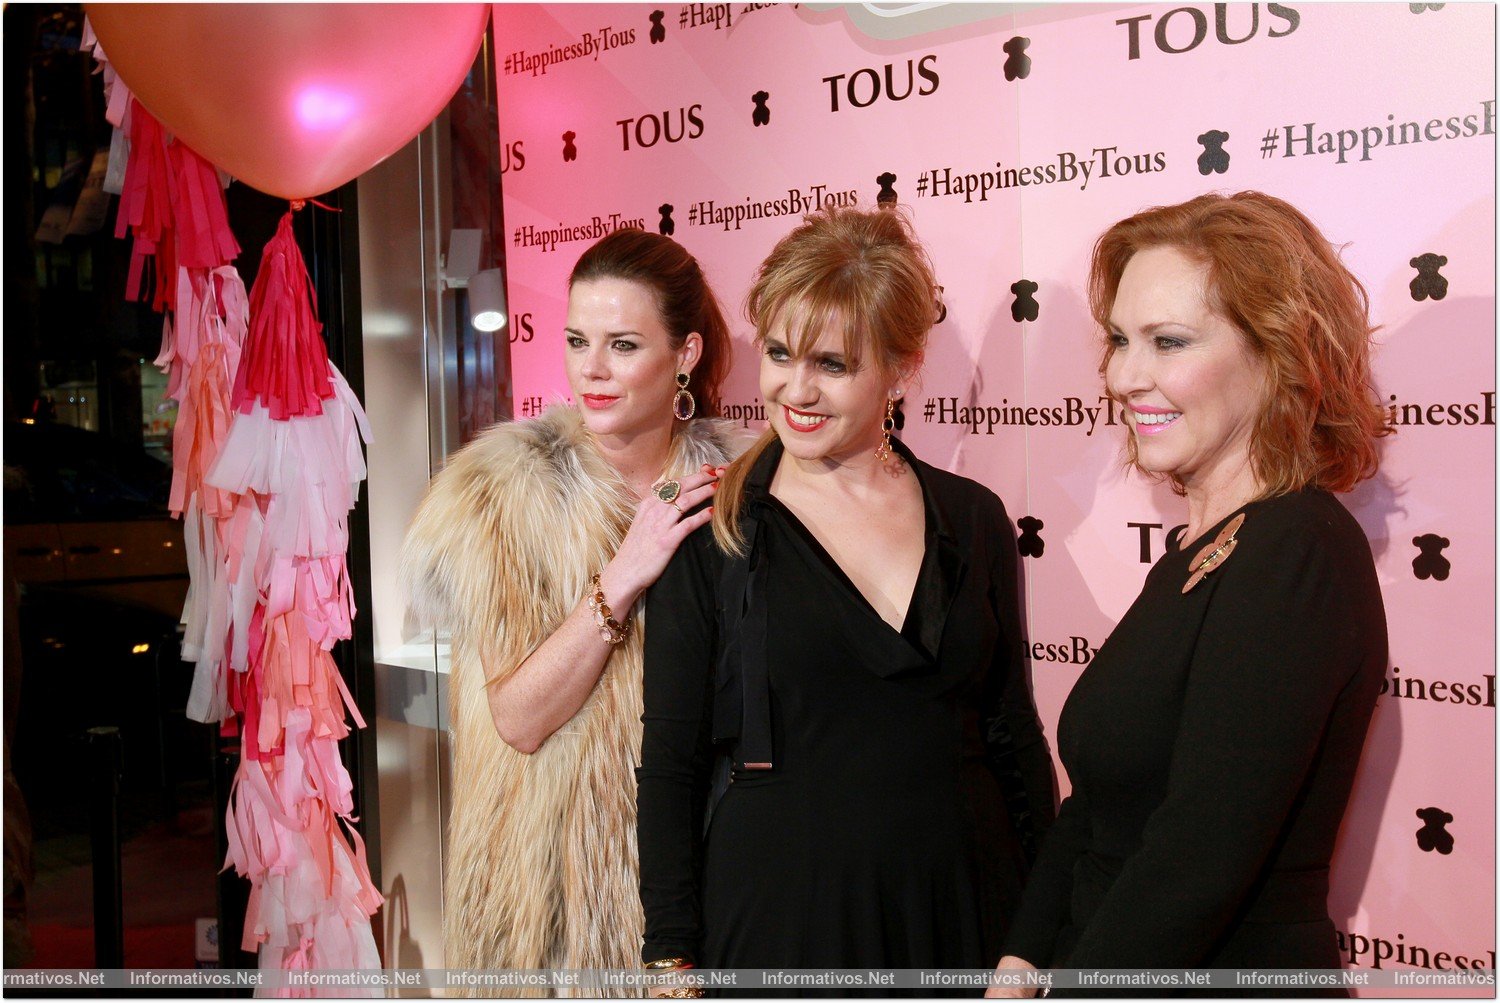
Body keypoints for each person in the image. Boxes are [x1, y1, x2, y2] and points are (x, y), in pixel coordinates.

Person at [636, 206, 1056, 991]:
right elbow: (670, 762)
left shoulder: (973, 518)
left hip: (966, 907)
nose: (796, 387)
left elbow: (1012, 735)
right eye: (781, 353)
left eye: (832, 363)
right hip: (785, 920)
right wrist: (670, 955)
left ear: (899, 367)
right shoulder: (714, 531)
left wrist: (1035, 936)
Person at [990, 192, 1391, 996]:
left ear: (1278, 353)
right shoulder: (1198, 550)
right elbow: (1102, 807)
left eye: (1167, 342)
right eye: (1117, 340)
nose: (1121, 375)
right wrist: (1021, 961)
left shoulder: (1296, 550)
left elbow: (1198, 858)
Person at [401, 228, 744, 988]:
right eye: (577, 339)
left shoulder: (739, 495)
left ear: (684, 354)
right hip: (550, 902)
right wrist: (623, 574)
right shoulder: (503, 493)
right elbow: (518, 718)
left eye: (622, 344)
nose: (591, 369)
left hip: (708, 882)